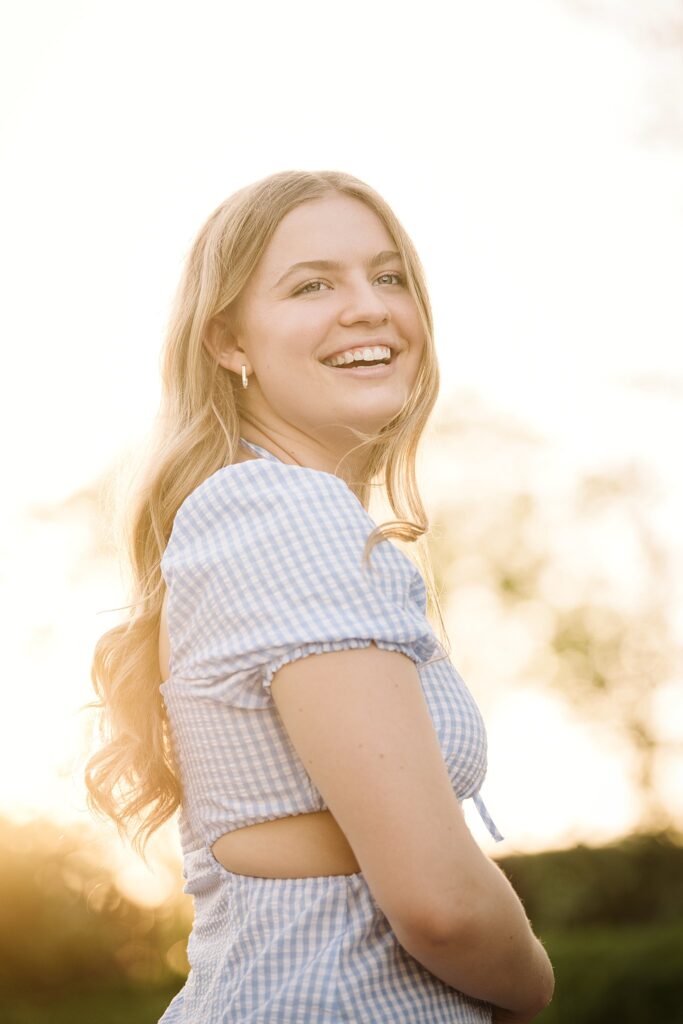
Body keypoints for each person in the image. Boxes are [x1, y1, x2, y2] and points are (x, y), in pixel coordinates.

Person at [84, 169, 554, 1023]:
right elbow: (439, 904)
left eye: (388, 276)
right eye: (311, 285)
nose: (370, 307)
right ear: (228, 341)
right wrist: (531, 984)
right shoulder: (281, 509)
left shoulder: (272, 510)